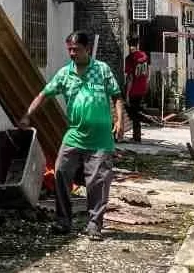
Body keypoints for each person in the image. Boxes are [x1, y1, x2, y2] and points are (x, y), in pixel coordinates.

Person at [19, 31, 124, 241]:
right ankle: (63, 221)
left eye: (76, 49)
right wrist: (27, 115)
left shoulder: (102, 69)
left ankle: (94, 225)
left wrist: (119, 121)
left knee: (97, 182)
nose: (72, 53)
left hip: (100, 139)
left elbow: (116, 96)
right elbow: (43, 95)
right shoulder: (65, 74)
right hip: (74, 135)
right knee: (60, 172)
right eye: (70, 50)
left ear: (87, 49)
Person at [123, 35, 150, 143]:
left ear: (128, 43)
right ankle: (136, 135)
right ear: (137, 43)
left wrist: (127, 94)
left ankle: (136, 137)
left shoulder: (130, 58)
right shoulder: (144, 56)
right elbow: (148, 72)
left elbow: (130, 78)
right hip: (142, 88)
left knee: (133, 113)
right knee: (137, 111)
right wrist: (146, 85)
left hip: (134, 90)